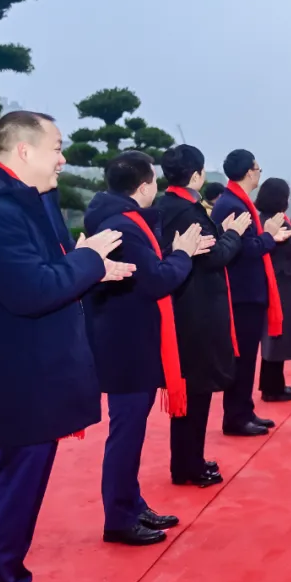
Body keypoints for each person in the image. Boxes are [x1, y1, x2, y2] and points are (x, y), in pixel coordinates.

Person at [0, 110, 134, 582]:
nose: (62, 159)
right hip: (12, 381)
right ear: (24, 151)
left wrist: (91, 269)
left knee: (15, 495)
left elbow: (50, 272)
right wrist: (89, 260)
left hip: (29, 376)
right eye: (56, 148)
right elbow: (32, 289)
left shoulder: (20, 205)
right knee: (8, 496)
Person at [84, 151, 214, 546]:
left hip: (132, 339)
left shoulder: (128, 220)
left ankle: (132, 504)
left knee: (132, 432)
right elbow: (156, 280)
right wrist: (183, 254)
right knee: (125, 433)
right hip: (126, 344)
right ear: (143, 186)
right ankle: (119, 518)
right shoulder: (122, 225)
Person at [156, 145, 252, 487]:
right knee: (196, 392)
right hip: (197, 309)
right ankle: (187, 464)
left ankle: (187, 459)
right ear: (196, 175)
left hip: (181, 306)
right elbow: (216, 257)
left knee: (191, 391)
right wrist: (234, 233)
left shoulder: (164, 205)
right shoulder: (189, 211)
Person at [212, 149, 291, 436]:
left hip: (247, 291)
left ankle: (244, 410)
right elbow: (244, 249)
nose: (259, 173)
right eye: (258, 169)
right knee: (242, 359)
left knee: (247, 358)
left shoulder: (236, 201)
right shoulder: (233, 204)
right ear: (249, 172)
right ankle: (235, 416)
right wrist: (269, 235)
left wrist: (269, 236)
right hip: (242, 293)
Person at [255, 178, 291, 397]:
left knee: (274, 335)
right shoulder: (279, 220)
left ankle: (272, 384)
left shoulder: (261, 217)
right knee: (278, 335)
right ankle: (273, 388)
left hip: (275, 280)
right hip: (284, 283)